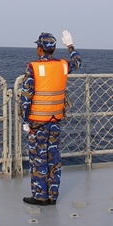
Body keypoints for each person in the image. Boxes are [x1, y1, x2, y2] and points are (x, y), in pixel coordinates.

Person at [20, 31, 82, 205]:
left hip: (37, 122)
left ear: (40, 49)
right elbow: (78, 61)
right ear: (53, 49)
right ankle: (53, 196)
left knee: (38, 158)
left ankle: (40, 196)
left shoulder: (33, 66)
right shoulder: (63, 65)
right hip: (55, 121)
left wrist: (24, 121)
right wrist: (70, 45)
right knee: (53, 157)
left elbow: (26, 96)